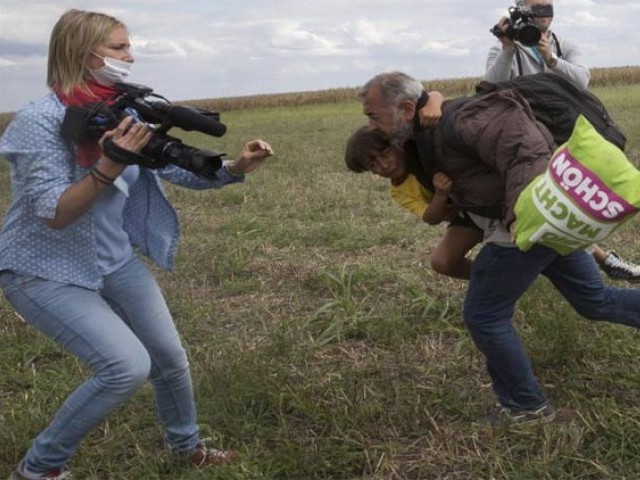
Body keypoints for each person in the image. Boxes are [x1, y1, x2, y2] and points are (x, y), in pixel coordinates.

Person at [0, 9, 273, 480]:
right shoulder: (38, 121)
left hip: (113, 260)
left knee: (168, 359)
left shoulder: (122, 112)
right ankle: (39, 469)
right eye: (120, 47)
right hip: (44, 269)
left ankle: (187, 448)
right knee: (125, 367)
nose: (131, 55)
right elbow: (56, 212)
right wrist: (109, 163)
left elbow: (167, 166)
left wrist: (233, 169)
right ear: (86, 53)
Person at [358, 70, 640, 422]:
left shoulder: (460, 117)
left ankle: (526, 405)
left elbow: (524, 147)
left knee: (484, 314)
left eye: (373, 116)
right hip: (544, 222)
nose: (371, 125)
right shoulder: (423, 129)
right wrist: (432, 94)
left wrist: (520, 213)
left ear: (403, 108)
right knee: (595, 300)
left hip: (522, 224)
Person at [484, 0, 640, 281]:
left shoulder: (562, 43)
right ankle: (599, 259)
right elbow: (491, 85)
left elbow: (582, 80)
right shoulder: (505, 45)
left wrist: (552, 60)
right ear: (521, 10)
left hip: (562, 131)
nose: (543, 15)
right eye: (536, 9)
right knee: (549, 197)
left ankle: (590, 259)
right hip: (523, 132)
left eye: (548, 8)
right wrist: (508, 48)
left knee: (568, 195)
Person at [344, 126, 482, 279]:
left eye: (385, 154)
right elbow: (431, 218)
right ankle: (494, 278)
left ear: (397, 144)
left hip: (483, 201)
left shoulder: (423, 151)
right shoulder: (398, 190)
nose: (384, 166)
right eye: (372, 165)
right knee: (441, 261)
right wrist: (440, 195)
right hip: (464, 217)